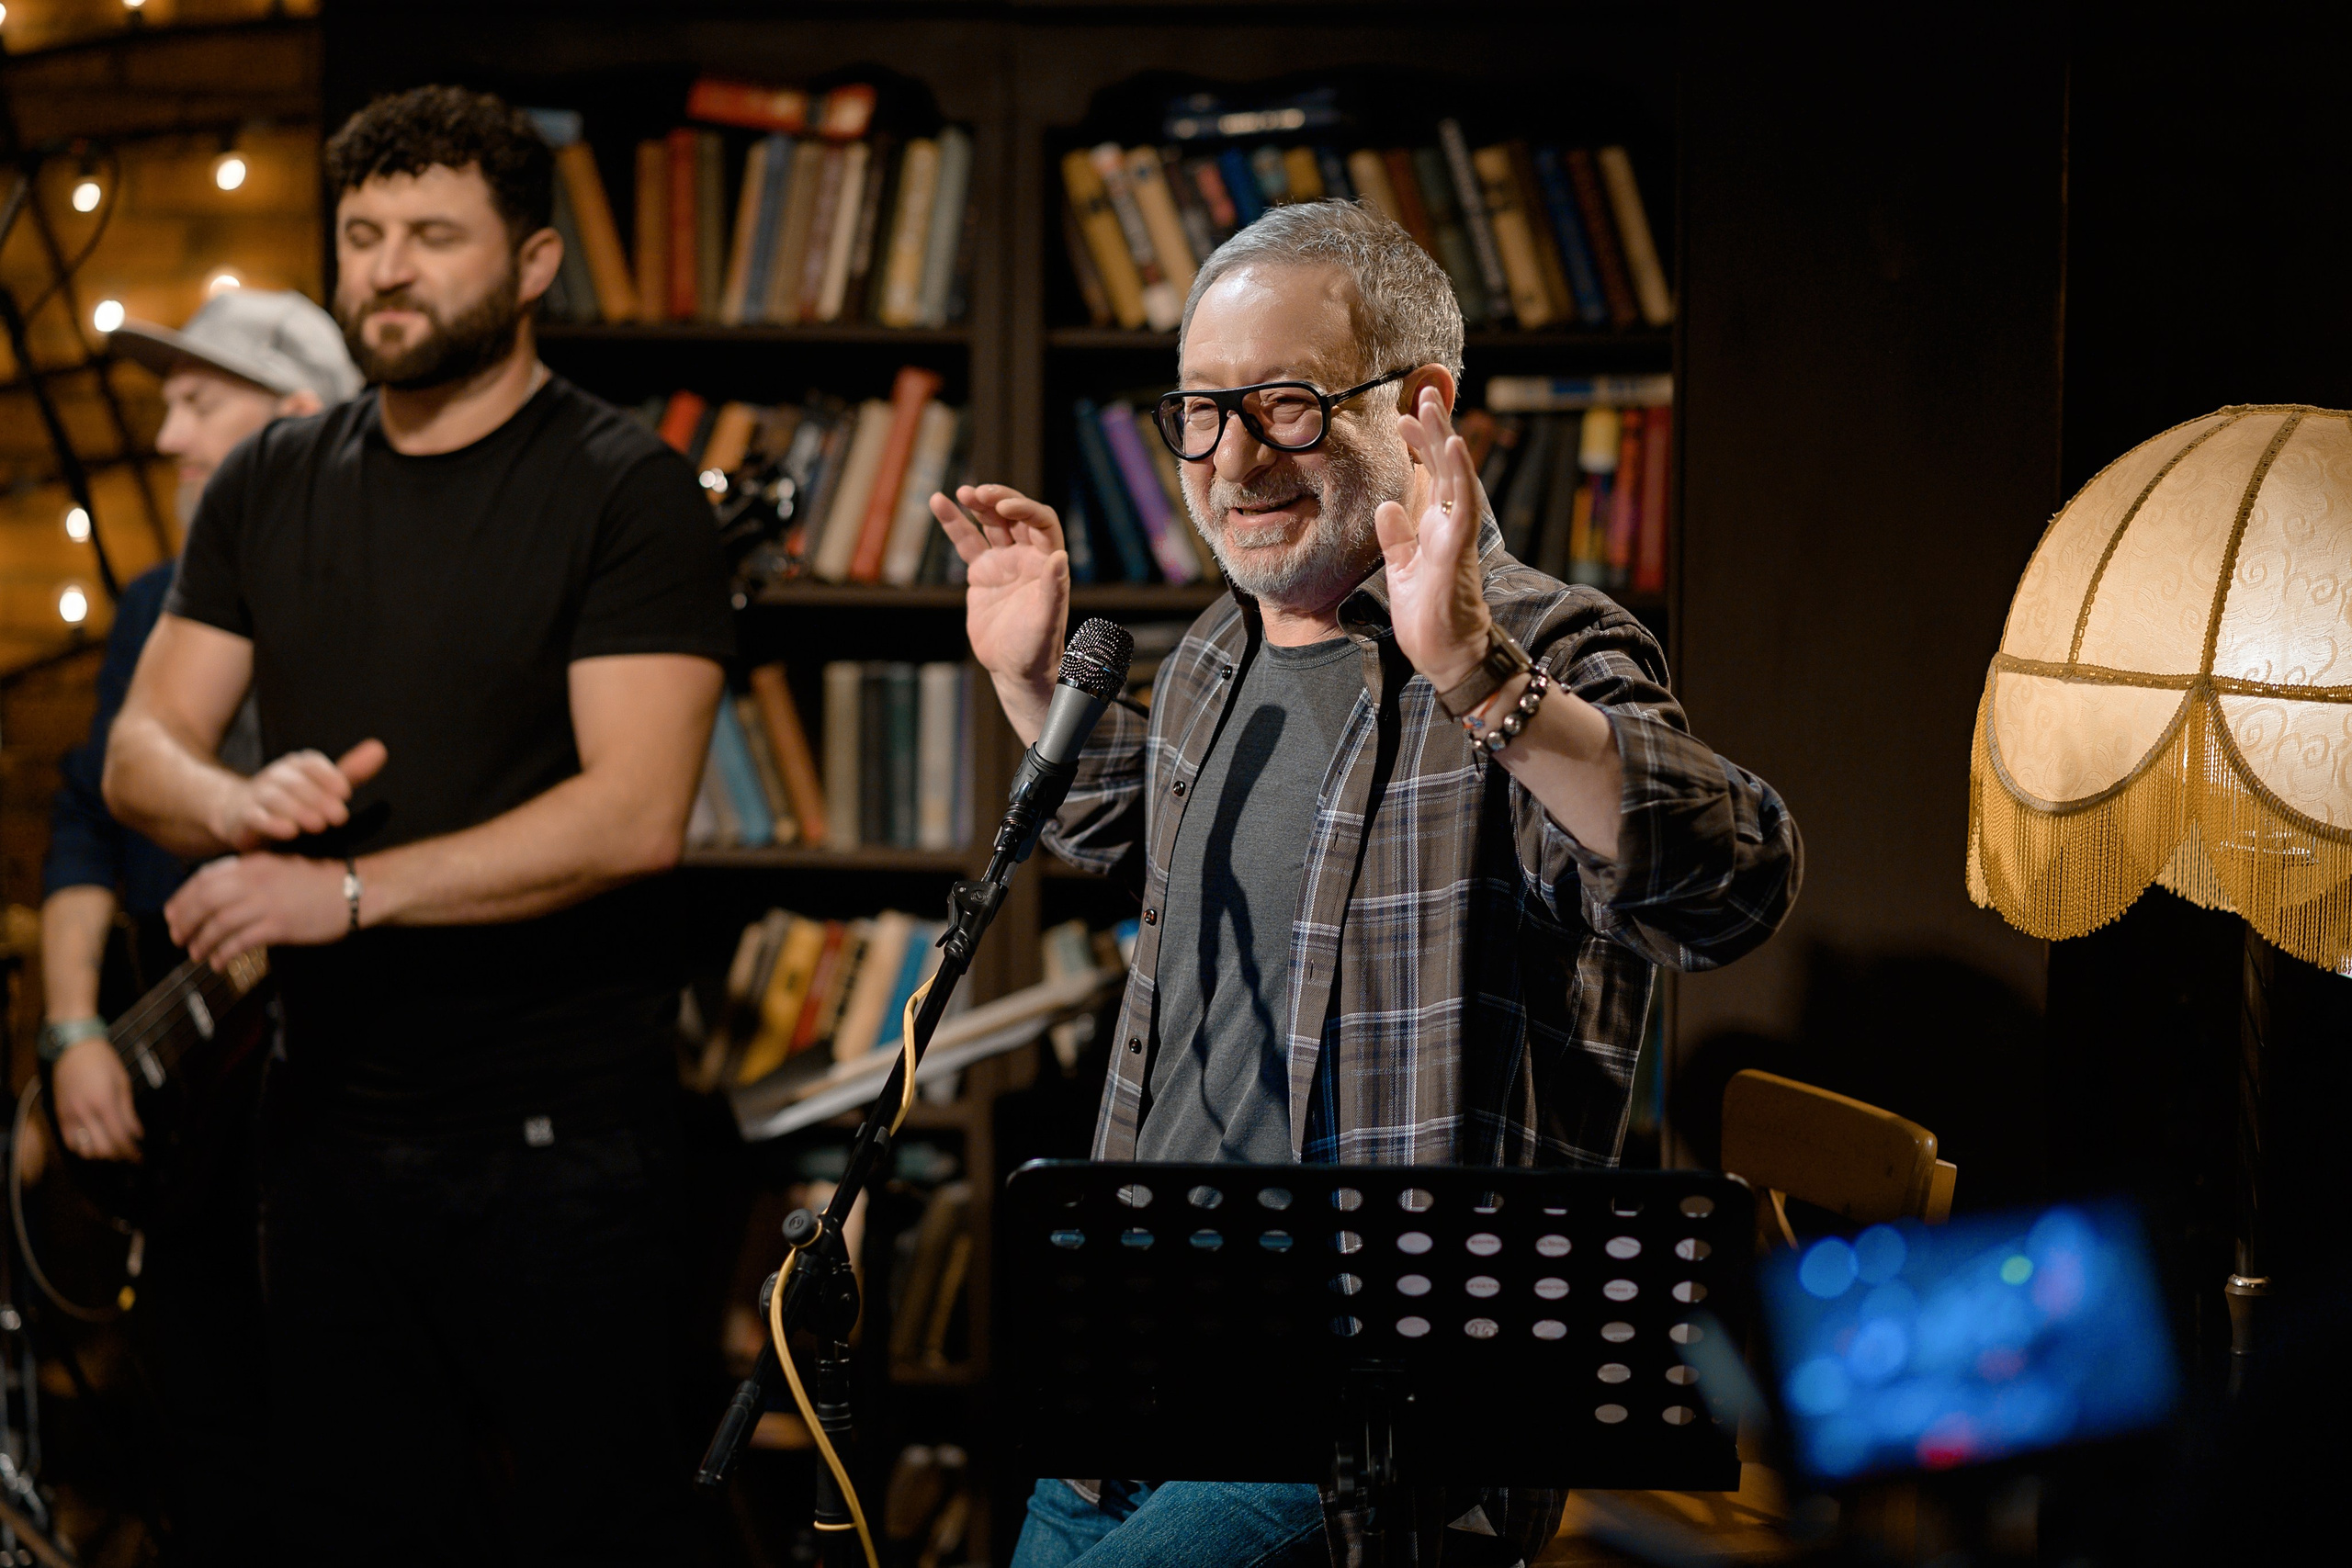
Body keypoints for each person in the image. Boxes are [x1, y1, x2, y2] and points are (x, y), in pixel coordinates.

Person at [933, 201, 1803, 1566]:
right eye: (1200, 413)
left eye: (1281, 404)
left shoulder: (1545, 643)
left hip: (1366, 1415)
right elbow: (1131, 832)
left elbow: (1729, 880)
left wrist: (1474, 674)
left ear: (1418, 406)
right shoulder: (1218, 656)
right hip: (1138, 1367)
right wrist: (1029, 678)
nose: (1229, 459)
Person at [101, 85, 731, 1567]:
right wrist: (234, 804)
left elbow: (635, 816)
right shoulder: (269, 477)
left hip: (563, 1142)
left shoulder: (622, 489)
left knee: (595, 1538)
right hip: (322, 1132)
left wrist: (351, 894)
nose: (386, 268)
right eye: (364, 235)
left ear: (530, 266)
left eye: (433, 236)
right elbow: (144, 747)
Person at [37, 287, 359, 1568]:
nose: (167, 438)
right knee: (202, 1436)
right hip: (172, 1091)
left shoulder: (378, 604)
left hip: (324, 1101)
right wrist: (73, 1033)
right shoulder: (153, 607)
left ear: (293, 424)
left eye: (197, 404)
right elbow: (82, 821)